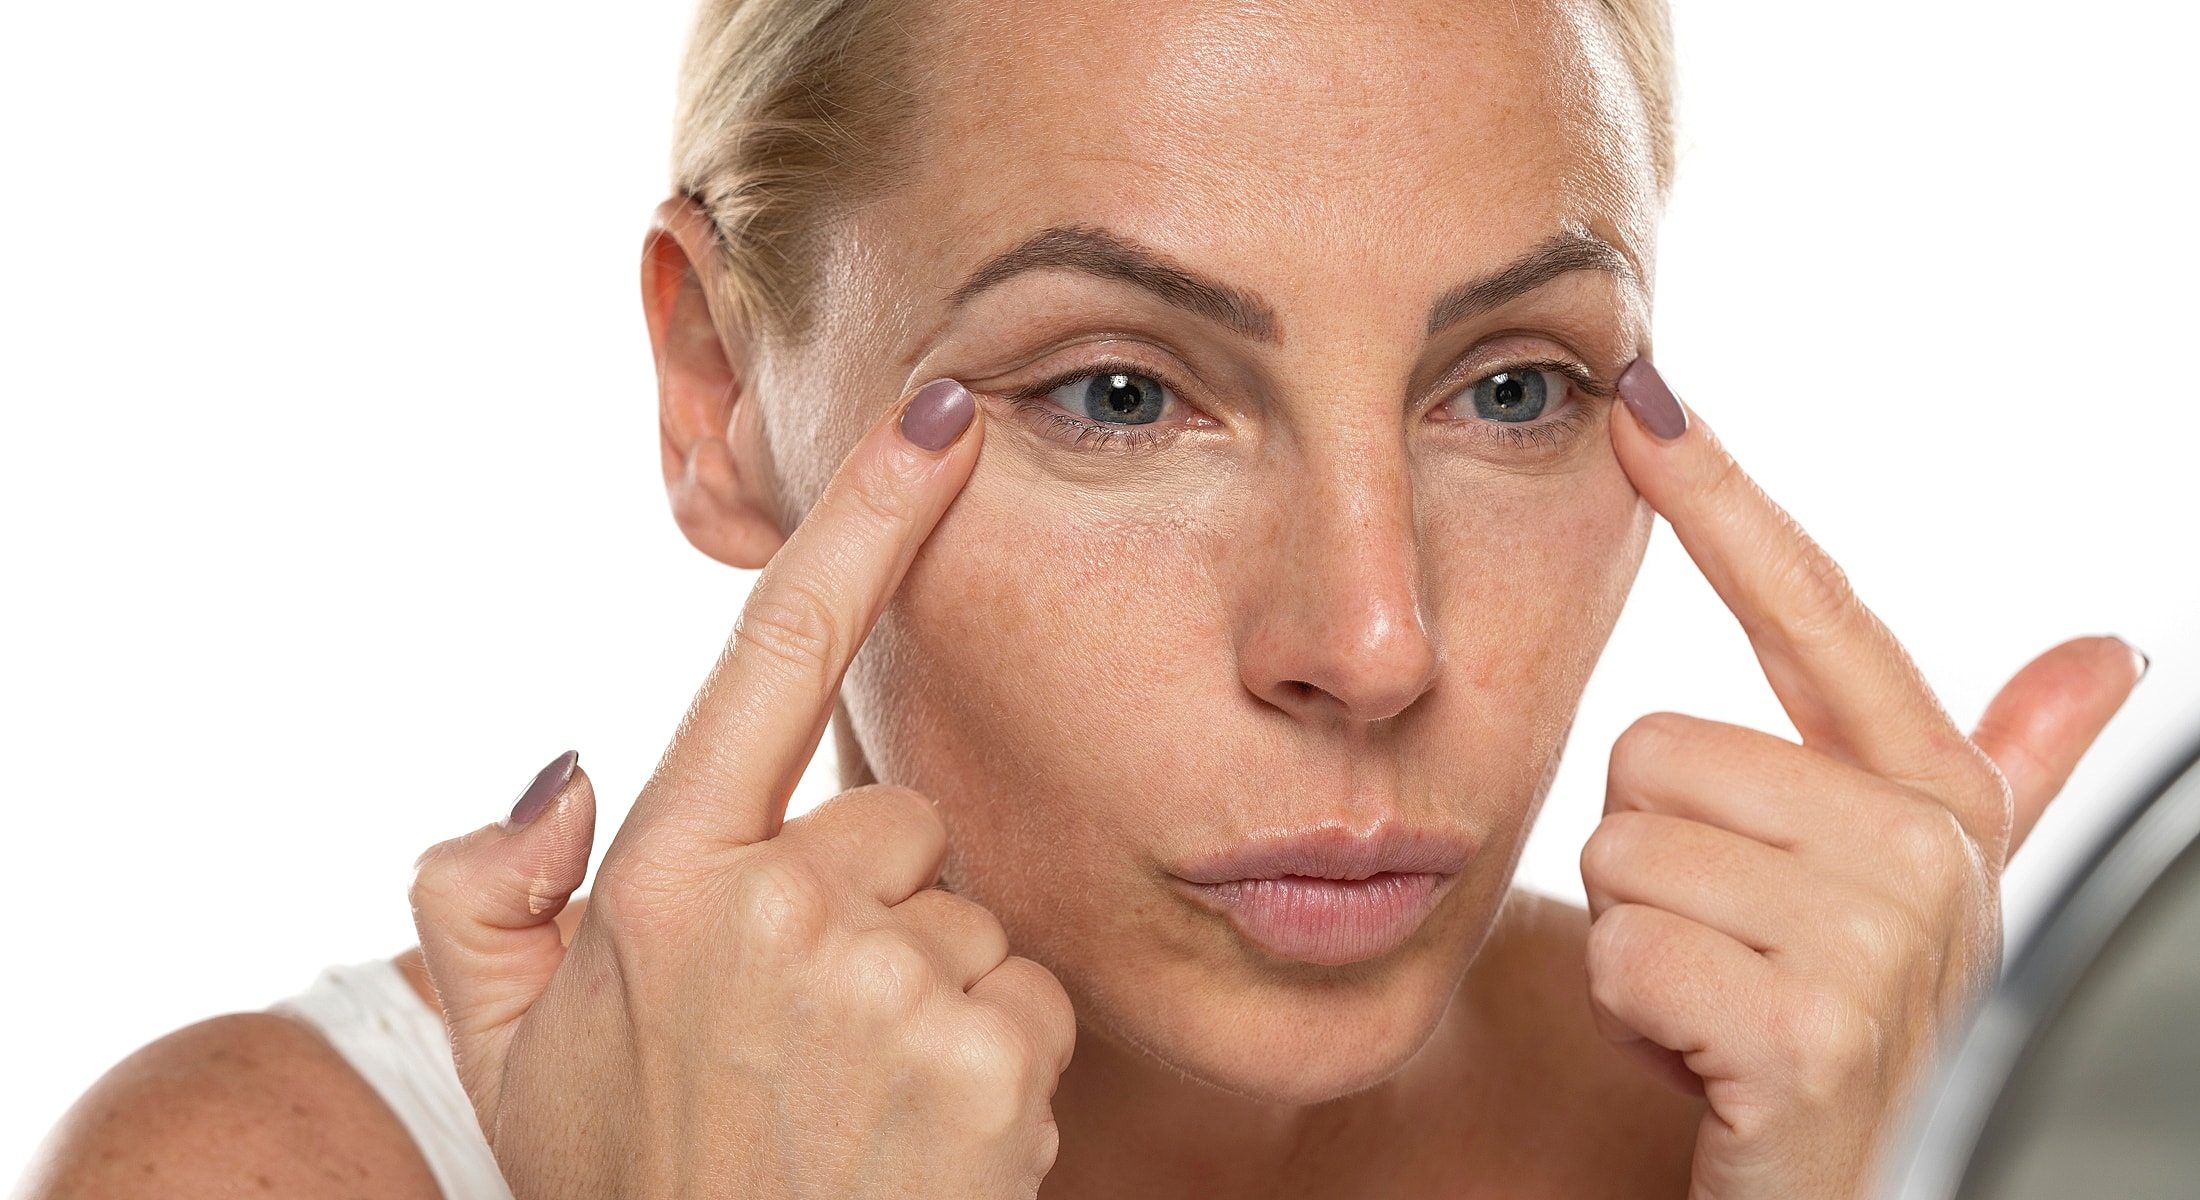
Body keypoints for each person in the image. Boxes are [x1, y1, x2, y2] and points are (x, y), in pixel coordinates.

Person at [20, 0, 2146, 1196]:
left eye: (1508, 386)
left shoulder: (1820, 1122)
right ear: (716, 390)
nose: (1371, 639)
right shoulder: (269, 1178)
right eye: (1118, 394)